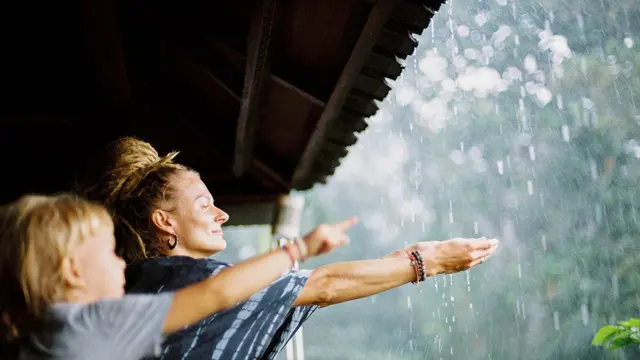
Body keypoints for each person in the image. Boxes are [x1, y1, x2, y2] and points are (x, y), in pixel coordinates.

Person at [80, 136, 500, 360]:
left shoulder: (133, 287)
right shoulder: (190, 281)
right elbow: (324, 284)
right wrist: (427, 261)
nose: (221, 214)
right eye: (205, 203)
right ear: (164, 221)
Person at [0, 193, 347, 360]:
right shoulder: (100, 323)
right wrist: (298, 249)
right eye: (108, 252)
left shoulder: (32, 335)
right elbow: (217, 294)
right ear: (72, 271)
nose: (122, 263)